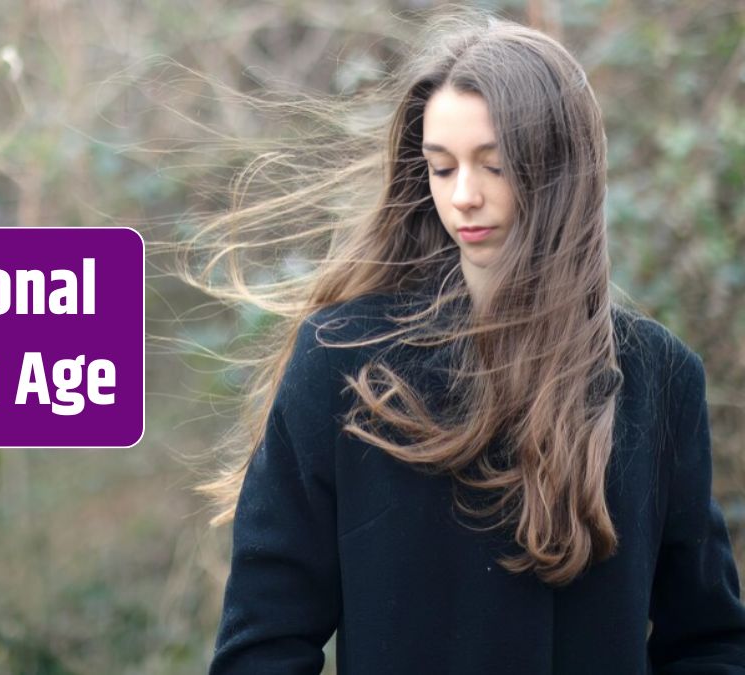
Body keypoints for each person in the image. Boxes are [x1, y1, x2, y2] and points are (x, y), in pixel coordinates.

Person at [190, 9, 745, 674]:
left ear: (559, 170)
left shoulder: (657, 378)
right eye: (441, 167)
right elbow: (264, 645)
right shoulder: (342, 359)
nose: (464, 197)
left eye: (494, 165)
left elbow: (710, 641)